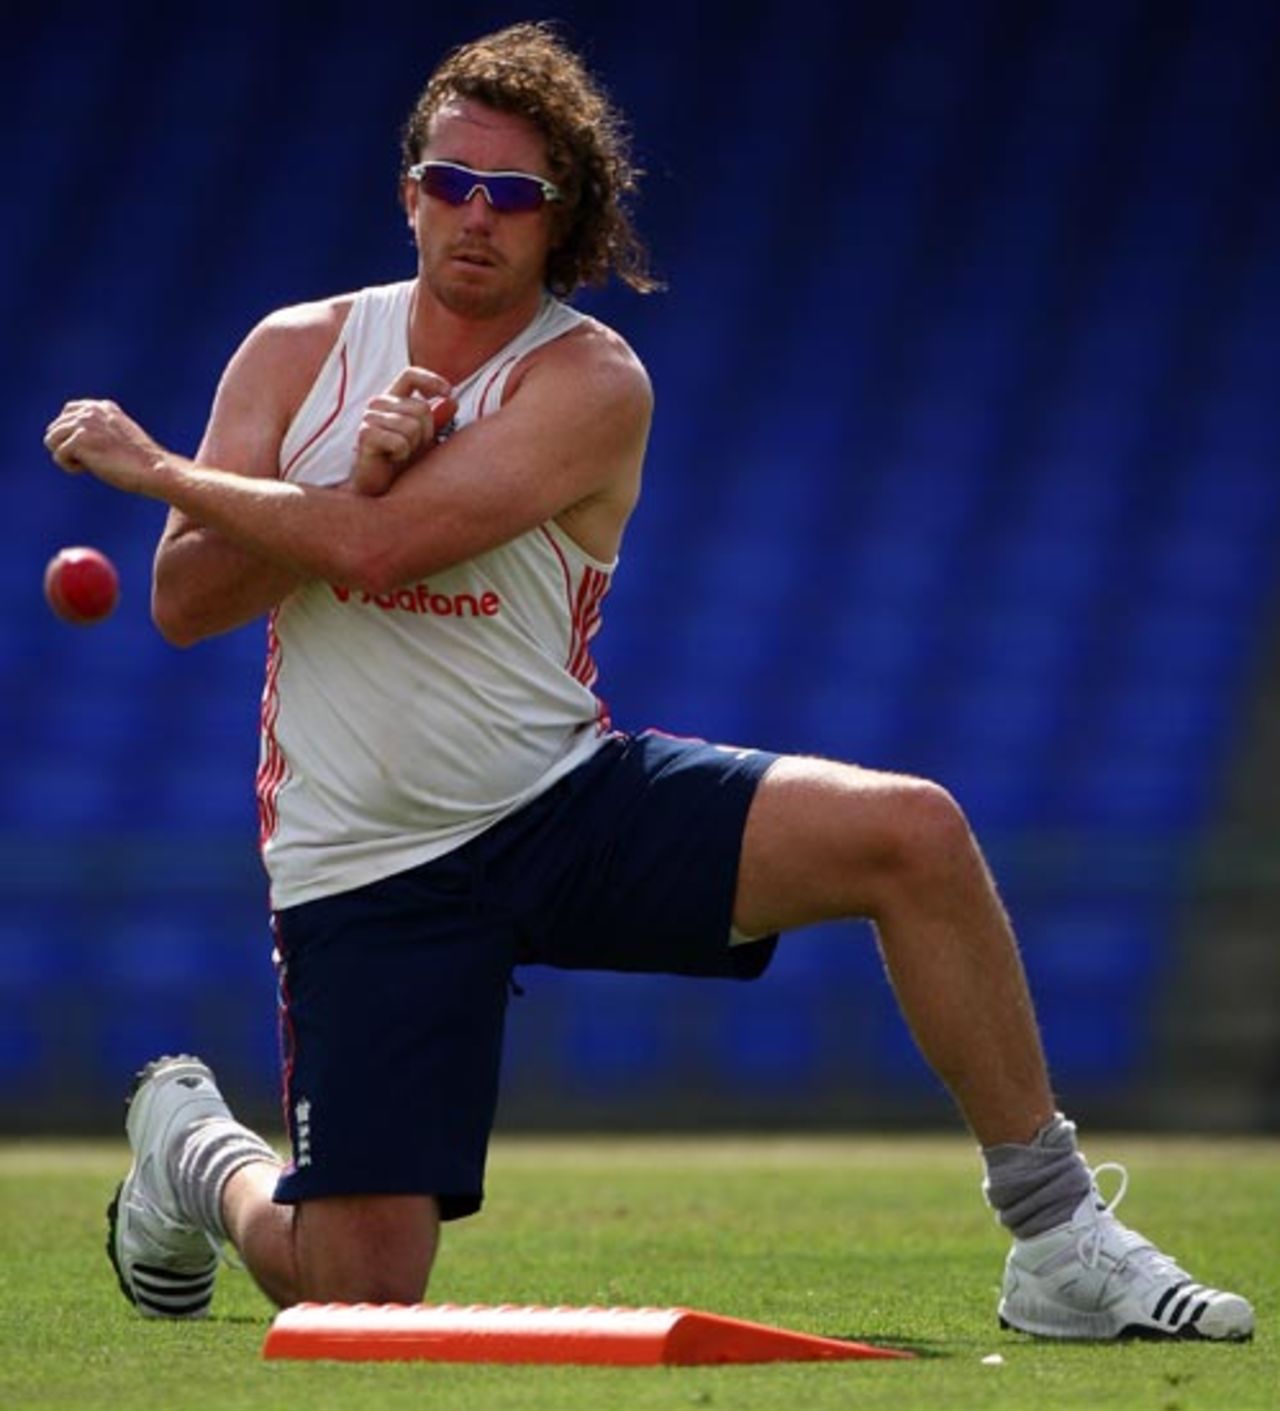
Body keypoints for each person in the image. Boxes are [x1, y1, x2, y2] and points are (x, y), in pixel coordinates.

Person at [47, 22, 1252, 1342]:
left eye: (517, 195)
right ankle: (198, 1154)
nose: (478, 216)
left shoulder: (588, 378)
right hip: (368, 861)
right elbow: (184, 601)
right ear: (409, 192)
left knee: (912, 830)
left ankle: (1059, 1237)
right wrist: (338, 478)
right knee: (359, 1286)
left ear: (563, 220)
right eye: (452, 183)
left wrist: (157, 469)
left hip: (561, 804)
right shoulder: (295, 351)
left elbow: (385, 545)